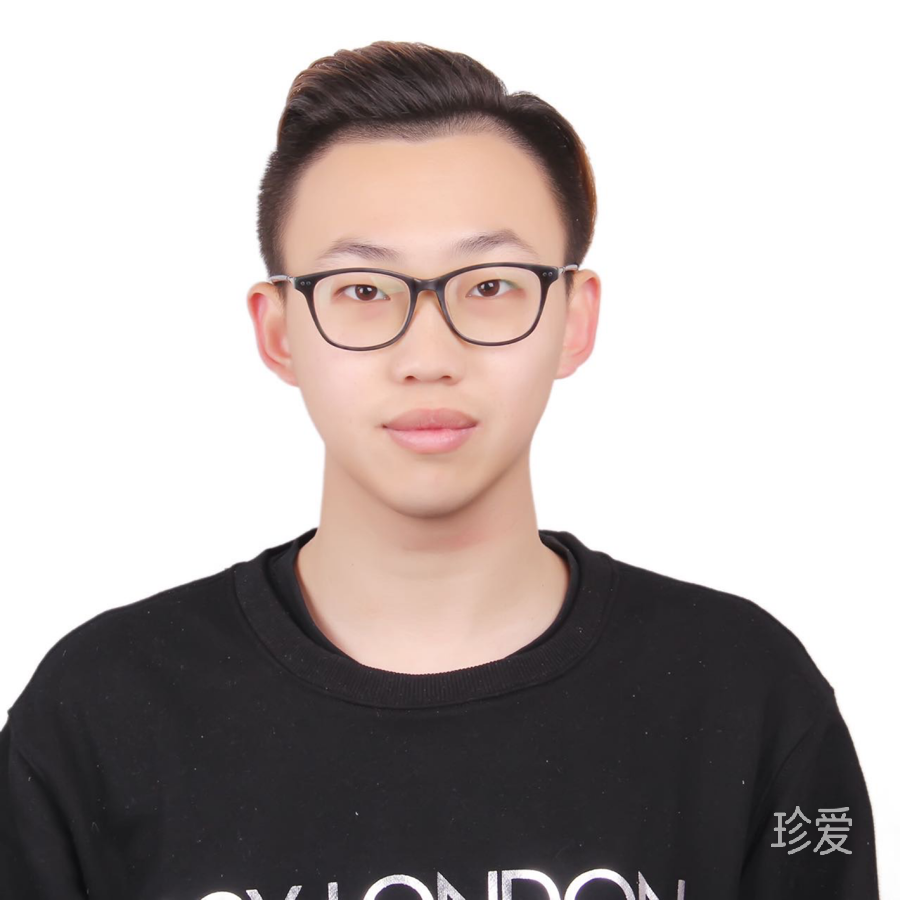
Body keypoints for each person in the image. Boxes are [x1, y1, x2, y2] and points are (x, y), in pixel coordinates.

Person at [0, 40, 879, 899]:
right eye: (362, 290)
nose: (428, 357)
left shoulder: (743, 691)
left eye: (490, 286)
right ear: (278, 332)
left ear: (574, 319)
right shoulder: (100, 711)